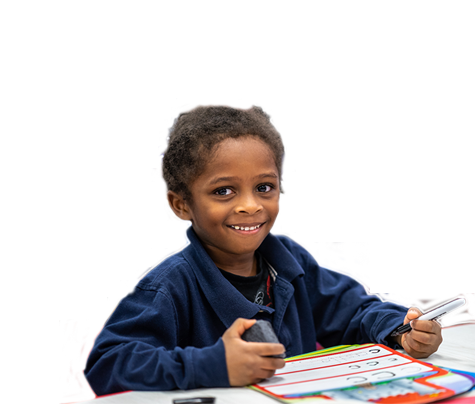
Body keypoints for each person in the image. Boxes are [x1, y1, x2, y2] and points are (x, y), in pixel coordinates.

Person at [84, 103, 442, 395]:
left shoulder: (291, 261)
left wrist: (400, 331)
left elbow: (353, 313)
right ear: (181, 205)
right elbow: (108, 364)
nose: (250, 206)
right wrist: (211, 365)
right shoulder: (168, 286)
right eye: (223, 191)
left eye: (264, 188)